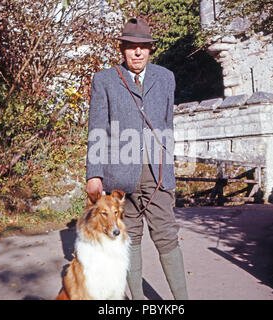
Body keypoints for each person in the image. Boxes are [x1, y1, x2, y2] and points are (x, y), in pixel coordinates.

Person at [86, 17, 188, 300]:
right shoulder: (104, 80)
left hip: (158, 175)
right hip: (120, 177)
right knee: (130, 240)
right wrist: (94, 174)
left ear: (151, 49)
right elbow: (97, 130)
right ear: (123, 49)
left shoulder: (165, 77)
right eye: (131, 47)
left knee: (167, 236)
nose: (138, 53)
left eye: (143, 47)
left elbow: (167, 125)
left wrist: (168, 169)